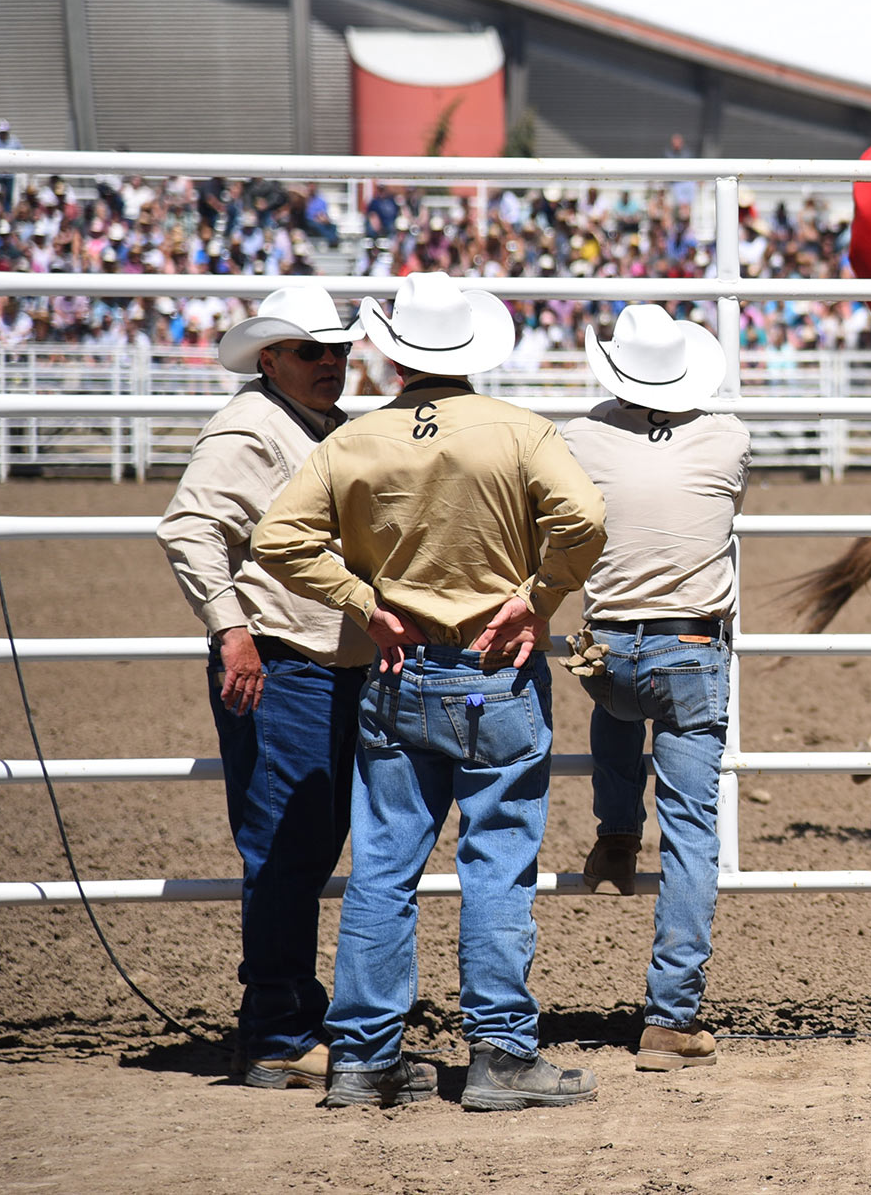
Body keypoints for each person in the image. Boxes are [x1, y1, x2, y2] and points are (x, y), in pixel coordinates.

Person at [254, 271, 607, 1111]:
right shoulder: (520, 431)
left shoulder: (354, 440)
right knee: (498, 862)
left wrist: (365, 604)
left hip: (400, 669)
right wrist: (538, 593)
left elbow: (278, 538)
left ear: (392, 352)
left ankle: (364, 1057)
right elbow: (586, 519)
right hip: (494, 669)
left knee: (383, 865)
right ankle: (501, 1055)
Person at [156, 286, 374, 1089]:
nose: (331, 363)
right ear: (271, 357)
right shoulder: (250, 429)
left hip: (312, 658)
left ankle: (286, 1012)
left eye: (339, 350)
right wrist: (232, 627)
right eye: (313, 351)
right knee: (289, 838)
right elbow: (189, 526)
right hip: (281, 659)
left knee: (303, 837)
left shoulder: (305, 426)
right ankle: (278, 1024)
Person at [561, 304, 747, 1072]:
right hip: (690, 644)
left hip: (611, 643)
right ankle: (671, 1017)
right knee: (695, 830)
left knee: (613, 704)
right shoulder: (728, 436)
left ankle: (614, 827)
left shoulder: (580, 436)